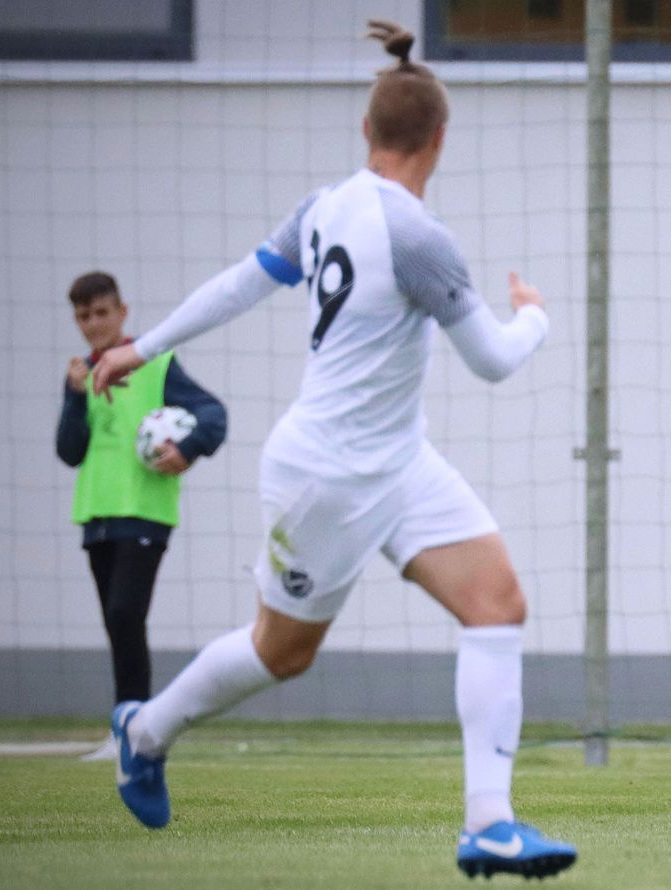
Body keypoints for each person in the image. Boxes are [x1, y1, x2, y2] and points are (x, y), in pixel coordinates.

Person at [89, 20, 576, 880]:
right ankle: (147, 732)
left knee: (497, 605)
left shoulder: (325, 205)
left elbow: (240, 284)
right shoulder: (419, 238)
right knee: (282, 652)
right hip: (324, 474)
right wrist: (534, 316)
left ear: (366, 128)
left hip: (400, 462)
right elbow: (495, 361)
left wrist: (144, 343)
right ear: (440, 138)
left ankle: (490, 825)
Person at [56, 271, 226, 761]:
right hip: (97, 516)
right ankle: (129, 730)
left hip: (145, 514)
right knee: (119, 625)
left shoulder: (156, 363)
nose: (93, 323)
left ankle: (133, 733)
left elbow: (213, 415)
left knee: (124, 615)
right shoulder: (82, 376)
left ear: (122, 312)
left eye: (101, 312)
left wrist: (187, 449)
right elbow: (69, 451)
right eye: (83, 316)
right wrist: (74, 396)